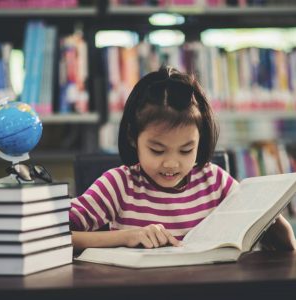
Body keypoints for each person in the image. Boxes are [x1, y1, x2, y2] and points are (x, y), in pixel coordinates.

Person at [70, 66, 296, 252]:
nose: (171, 163)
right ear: (132, 138)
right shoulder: (119, 185)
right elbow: (54, 237)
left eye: (186, 150)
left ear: (200, 141)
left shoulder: (214, 181)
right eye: (157, 150)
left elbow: (275, 246)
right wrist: (125, 237)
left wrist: (272, 224)